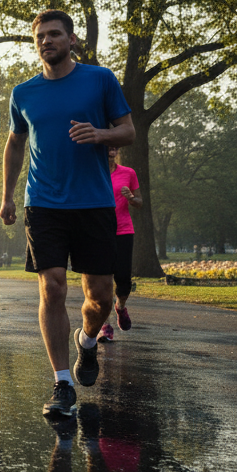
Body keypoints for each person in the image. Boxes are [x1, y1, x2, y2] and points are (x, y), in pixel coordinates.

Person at [0, 9, 134, 419]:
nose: (46, 41)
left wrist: (101, 134)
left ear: (71, 40)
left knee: (101, 297)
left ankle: (88, 342)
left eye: (55, 34)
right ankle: (61, 382)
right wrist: (7, 196)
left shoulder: (100, 79)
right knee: (53, 287)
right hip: (43, 203)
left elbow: (128, 130)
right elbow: (15, 145)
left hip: (94, 202)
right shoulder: (24, 93)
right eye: (40, 36)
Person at [102, 146, 141, 342]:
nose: (113, 147)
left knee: (123, 280)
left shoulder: (128, 173)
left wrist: (131, 198)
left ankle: (120, 307)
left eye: (115, 144)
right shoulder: (92, 172)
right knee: (103, 281)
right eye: (109, 143)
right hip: (100, 233)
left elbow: (139, 202)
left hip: (124, 231)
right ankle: (105, 325)